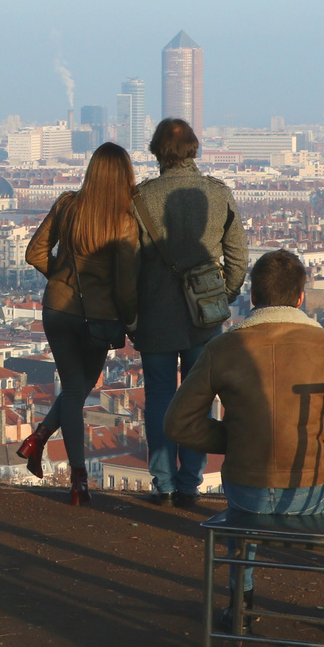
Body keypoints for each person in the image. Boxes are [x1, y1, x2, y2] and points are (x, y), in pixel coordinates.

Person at [165, 250, 324, 635]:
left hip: (245, 489)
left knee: (243, 522)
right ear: (301, 297)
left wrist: (233, 440)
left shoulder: (222, 348)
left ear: (253, 297)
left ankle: (241, 606)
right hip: (310, 487)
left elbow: (178, 423)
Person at [130, 118, 248, 508]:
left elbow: (127, 264)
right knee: (199, 397)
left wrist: (132, 315)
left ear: (156, 151)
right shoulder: (218, 193)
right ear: (194, 149)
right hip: (205, 317)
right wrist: (222, 298)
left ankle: (162, 483)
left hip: (155, 316)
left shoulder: (140, 198)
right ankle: (189, 484)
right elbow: (238, 258)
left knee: (160, 396)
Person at [19, 145, 140, 506]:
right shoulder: (123, 220)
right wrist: (130, 318)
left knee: (76, 387)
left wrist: (60, 280)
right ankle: (78, 478)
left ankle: (39, 437)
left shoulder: (67, 204)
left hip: (57, 309)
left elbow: (34, 252)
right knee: (76, 390)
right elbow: (126, 281)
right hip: (98, 316)